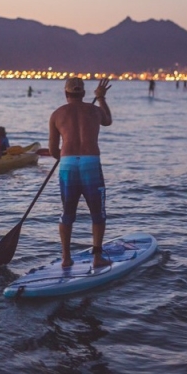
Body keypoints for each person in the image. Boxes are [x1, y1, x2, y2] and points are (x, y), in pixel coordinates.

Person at [49, 77, 113, 269]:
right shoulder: (94, 110)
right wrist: (101, 98)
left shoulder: (57, 114)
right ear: (84, 93)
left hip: (68, 164)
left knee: (67, 213)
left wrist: (65, 158)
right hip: (90, 163)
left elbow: (53, 151)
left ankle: (66, 258)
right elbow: (108, 121)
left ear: (66, 94)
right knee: (97, 214)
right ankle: (97, 257)